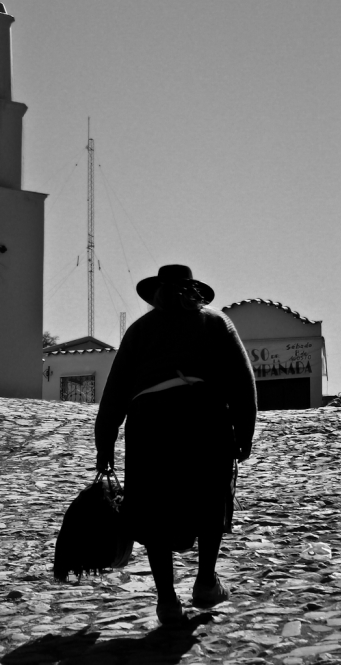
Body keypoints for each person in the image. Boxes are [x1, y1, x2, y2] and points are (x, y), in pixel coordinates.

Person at [95, 264, 257, 623]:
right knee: (211, 497)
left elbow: (115, 392)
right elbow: (243, 382)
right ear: (195, 291)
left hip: (149, 422)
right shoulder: (216, 322)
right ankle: (205, 582)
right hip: (206, 417)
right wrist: (244, 433)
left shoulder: (139, 330)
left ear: (156, 293)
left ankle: (167, 601)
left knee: (153, 506)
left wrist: (104, 444)